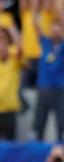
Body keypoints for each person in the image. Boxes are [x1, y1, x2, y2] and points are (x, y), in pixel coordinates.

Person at [32, 9, 64, 141]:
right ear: (50, 30)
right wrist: (36, 14)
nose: (55, 31)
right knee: (39, 122)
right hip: (44, 88)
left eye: (58, 29)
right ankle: (37, 152)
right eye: (53, 29)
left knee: (61, 123)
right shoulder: (45, 43)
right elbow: (36, 27)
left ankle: (61, 151)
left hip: (60, 90)